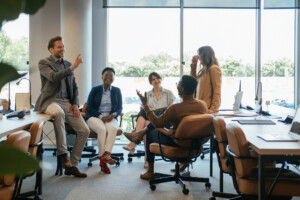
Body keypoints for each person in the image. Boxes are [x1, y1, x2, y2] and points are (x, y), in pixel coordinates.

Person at [124, 75, 208, 180]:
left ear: (181, 89)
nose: (177, 86)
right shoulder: (203, 105)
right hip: (196, 144)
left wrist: (145, 105)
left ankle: (150, 171)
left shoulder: (176, 108)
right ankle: (139, 134)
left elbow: (156, 123)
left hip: (178, 143)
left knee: (150, 132)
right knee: (163, 111)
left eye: (179, 84)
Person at [35, 36, 89, 178]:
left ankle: (73, 164)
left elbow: (74, 87)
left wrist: (76, 104)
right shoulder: (44, 63)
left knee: (84, 130)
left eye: (63, 46)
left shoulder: (68, 64)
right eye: (59, 47)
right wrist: (72, 68)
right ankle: (63, 154)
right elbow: (53, 77)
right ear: (51, 49)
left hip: (67, 102)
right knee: (59, 113)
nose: (62, 49)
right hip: (50, 101)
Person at [123, 72, 174, 168]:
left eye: (157, 78)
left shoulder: (168, 93)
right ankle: (146, 156)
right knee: (145, 119)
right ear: (150, 82)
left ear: (161, 79)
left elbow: (170, 110)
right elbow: (147, 111)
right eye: (153, 79)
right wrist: (144, 106)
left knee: (146, 119)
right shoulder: (148, 94)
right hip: (152, 120)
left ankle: (135, 142)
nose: (156, 81)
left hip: (163, 120)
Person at [86, 67, 122, 174]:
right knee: (102, 129)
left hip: (111, 117)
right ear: (102, 77)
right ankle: (103, 158)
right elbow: (89, 107)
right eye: (106, 75)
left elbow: (120, 108)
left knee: (113, 128)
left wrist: (114, 114)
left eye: (111, 76)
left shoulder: (117, 90)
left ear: (114, 78)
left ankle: (106, 155)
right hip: (95, 117)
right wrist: (101, 116)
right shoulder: (95, 90)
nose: (108, 77)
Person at [190, 46, 222, 113]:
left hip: (207, 110)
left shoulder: (214, 68)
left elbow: (217, 90)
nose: (198, 56)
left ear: (205, 55)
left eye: (199, 54)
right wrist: (193, 66)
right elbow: (192, 83)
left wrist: (213, 109)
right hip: (200, 108)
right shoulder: (204, 70)